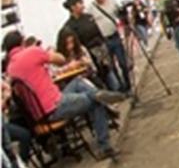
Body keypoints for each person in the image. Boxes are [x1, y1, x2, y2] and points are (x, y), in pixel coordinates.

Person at [3, 31, 124, 159]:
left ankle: (100, 97)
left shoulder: (10, 69)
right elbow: (61, 60)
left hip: (40, 115)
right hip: (55, 106)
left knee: (77, 83)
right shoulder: (32, 52)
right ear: (22, 42)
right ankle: (105, 146)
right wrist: (45, 53)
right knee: (94, 101)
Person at [59, 0, 119, 92]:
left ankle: (118, 91)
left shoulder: (88, 17)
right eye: (80, 3)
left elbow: (98, 32)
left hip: (101, 50)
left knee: (110, 72)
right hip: (88, 55)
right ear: (73, 7)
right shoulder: (69, 26)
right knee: (100, 80)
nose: (83, 5)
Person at [90, 0, 131, 92]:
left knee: (123, 62)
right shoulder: (92, 7)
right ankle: (120, 86)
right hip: (103, 40)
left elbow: (121, 15)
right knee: (112, 66)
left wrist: (126, 24)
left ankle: (128, 83)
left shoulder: (112, 2)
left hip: (115, 36)